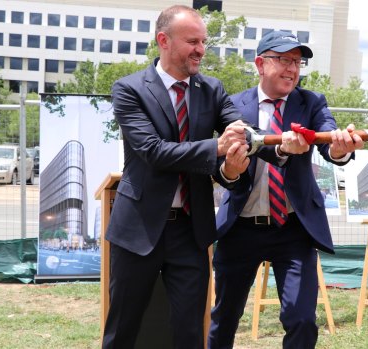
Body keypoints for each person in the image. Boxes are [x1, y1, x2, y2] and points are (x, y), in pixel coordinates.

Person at [102, 5, 250, 349]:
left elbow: (240, 129)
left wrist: (277, 144)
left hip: (190, 230)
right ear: (163, 40)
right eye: (192, 41)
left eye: (204, 42)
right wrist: (216, 147)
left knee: (189, 332)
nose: (200, 49)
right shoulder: (129, 89)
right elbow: (153, 152)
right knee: (123, 328)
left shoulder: (212, 90)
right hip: (137, 228)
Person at [208, 31, 365, 349]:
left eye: (297, 61)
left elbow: (329, 143)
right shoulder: (233, 106)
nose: (292, 68)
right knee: (224, 317)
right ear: (260, 64)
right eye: (283, 60)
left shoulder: (311, 102)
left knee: (302, 319)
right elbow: (219, 166)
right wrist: (232, 169)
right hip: (240, 227)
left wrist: (340, 148)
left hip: (293, 229)